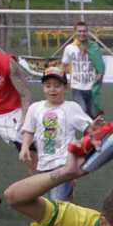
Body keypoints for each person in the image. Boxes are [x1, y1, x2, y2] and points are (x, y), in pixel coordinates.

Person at [19, 66, 93, 202]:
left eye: (57, 86)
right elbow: (28, 129)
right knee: (55, 199)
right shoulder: (35, 108)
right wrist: (24, 147)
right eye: (48, 85)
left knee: (57, 201)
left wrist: (89, 138)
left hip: (64, 163)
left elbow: (89, 129)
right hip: (43, 163)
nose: (52, 89)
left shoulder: (71, 108)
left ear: (65, 88)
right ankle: (71, 214)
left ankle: (58, 220)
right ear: (43, 87)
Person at [0, 46, 33, 211]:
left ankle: (41, 188)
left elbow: (25, 92)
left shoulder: (6, 63)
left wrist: (26, 117)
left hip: (11, 113)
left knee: (29, 154)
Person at [61, 21, 105, 118]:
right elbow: (64, 65)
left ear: (87, 32)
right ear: (75, 32)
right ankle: (89, 131)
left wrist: (100, 73)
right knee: (82, 111)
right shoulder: (69, 48)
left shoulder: (93, 47)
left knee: (93, 114)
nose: (82, 33)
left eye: (84, 31)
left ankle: (91, 133)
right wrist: (63, 81)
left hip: (92, 87)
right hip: (77, 87)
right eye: (79, 31)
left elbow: (100, 64)